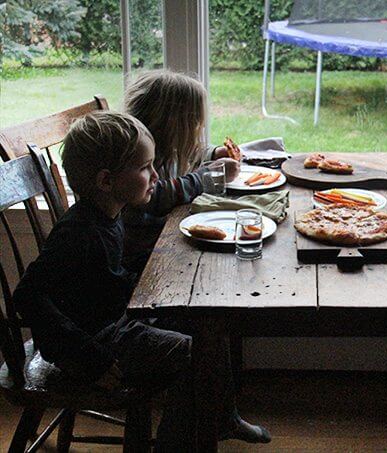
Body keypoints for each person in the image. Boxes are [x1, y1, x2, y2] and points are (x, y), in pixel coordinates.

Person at [13, 111, 270, 451]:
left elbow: (103, 280)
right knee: (193, 353)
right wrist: (92, 357)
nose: (155, 175)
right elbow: (27, 296)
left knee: (209, 323)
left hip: (110, 321)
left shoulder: (108, 214)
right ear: (107, 181)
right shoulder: (78, 233)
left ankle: (222, 419)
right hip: (91, 345)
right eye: (145, 168)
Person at [122, 69, 240, 274]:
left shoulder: (163, 147)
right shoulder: (136, 158)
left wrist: (213, 154)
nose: (198, 129)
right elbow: (157, 195)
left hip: (162, 237)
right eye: (194, 123)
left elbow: (184, 151)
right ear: (172, 125)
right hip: (146, 254)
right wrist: (207, 178)